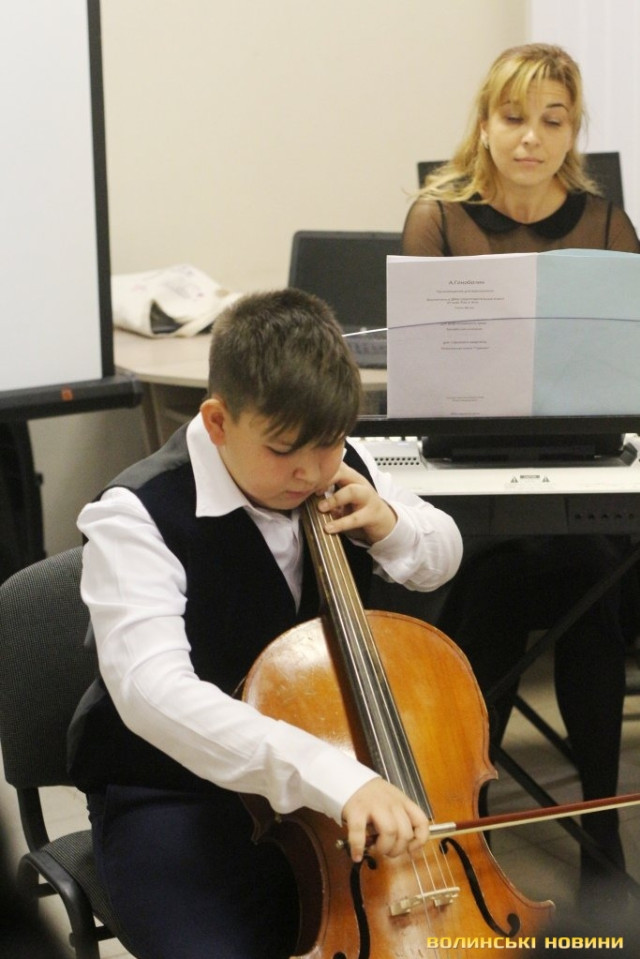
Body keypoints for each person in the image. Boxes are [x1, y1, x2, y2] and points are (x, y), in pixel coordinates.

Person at [66, 288, 463, 959]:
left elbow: (443, 551)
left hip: (331, 784)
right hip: (178, 797)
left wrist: (391, 526)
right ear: (218, 421)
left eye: (329, 444)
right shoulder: (135, 516)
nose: (311, 472)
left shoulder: (337, 462)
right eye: (283, 450)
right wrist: (333, 777)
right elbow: (153, 692)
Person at [402, 42, 640, 916]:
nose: (531, 138)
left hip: (581, 465)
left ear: (574, 131)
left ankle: (601, 835)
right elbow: (421, 372)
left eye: (553, 120)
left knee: (592, 579)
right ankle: (470, 831)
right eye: (514, 117)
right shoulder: (438, 217)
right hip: (468, 473)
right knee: (497, 580)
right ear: (485, 121)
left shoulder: (608, 223)